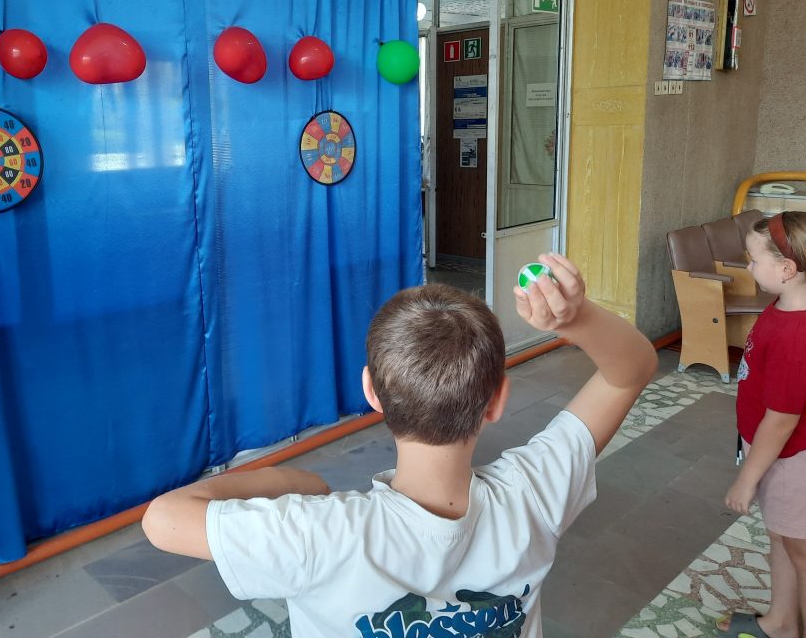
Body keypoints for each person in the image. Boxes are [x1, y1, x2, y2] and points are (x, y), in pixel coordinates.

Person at [142, 253, 657, 637]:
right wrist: (575, 318)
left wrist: (299, 484)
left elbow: (163, 519)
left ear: (371, 392)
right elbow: (631, 371)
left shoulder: (319, 535)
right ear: (497, 399)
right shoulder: (535, 495)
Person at [719, 211, 806, 638]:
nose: (748, 266)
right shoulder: (785, 307)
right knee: (783, 537)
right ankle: (781, 622)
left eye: (753, 258)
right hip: (780, 456)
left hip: (794, 459)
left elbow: (781, 421)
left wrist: (747, 479)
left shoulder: (798, 335)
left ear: (786, 269)